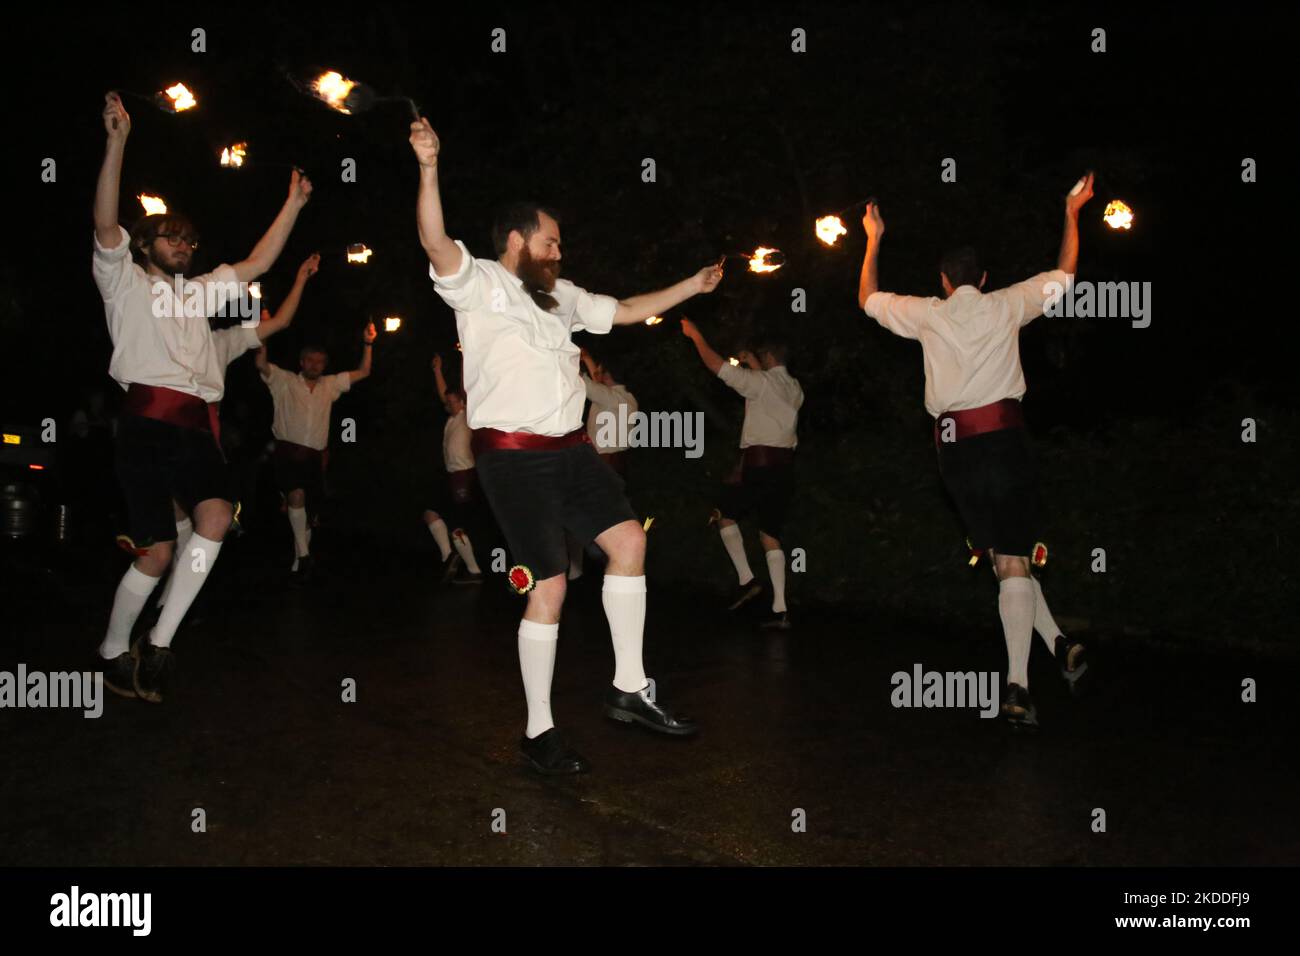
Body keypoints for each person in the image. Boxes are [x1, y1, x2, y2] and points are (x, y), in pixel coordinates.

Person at [410, 115, 722, 774]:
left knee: (630, 540)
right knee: (548, 586)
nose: (561, 251)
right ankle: (539, 731)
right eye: (553, 241)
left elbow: (630, 309)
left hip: (574, 449)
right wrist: (429, 165)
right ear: (519, 240)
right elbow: (435, 241)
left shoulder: (565, 296)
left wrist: (691, 285)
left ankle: (630, 688)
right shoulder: (482, 282)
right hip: (512, 457)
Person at [92, 91, 313, 702]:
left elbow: (257, 260)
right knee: (158, 553)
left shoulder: (204, 293)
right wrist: (117, 142)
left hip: (194, 431)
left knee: (216, 519)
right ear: (144, 247)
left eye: (189, 240)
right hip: (143, 425)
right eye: (171, 238)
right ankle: (113, 651)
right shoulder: (124, 282)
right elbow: (105, 223)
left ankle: (159, 643)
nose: (184, 245)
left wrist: (292, 204)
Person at [857, 174, 1095, 728]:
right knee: (1011, 559)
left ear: (944, 282)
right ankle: (1018, 686)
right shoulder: (1007, 304)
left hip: (955, 456)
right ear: (982, 280)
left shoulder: (928, 314)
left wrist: (872, 238)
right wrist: (1072, 211)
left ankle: (1055, 645)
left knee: (999, 559)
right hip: (1005, 444)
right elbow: (1065, 274)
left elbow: (866, 298)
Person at [681, 323, 803, 629]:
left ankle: (747, 580)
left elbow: (716, 365)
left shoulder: (760, 383)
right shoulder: (795, 388)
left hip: (760, 469)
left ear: (768, 357)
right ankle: (780, 610)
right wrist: (752, 363)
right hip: (784, 469)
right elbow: (764, 403)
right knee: (769, 535)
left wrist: (696, 335)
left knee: (722, 513)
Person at [255, 315, 375, 584]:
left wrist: (368, 343)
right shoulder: (284, 380)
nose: (315, 365)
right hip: (288, 451)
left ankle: (299, 561)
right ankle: (306, 556)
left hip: (316, 456)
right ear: (302, 362)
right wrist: (264, 329)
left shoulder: (330, 385)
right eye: (310, 360)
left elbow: (364, 372)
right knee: (295, 497)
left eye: (320, 362)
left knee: (309, 513)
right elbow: (260, 363)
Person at [424, 352, 485, 585]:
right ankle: (449, 556)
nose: (448, 404)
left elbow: (463, 388)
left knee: (458, 525)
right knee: (431, 514)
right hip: (451, 476)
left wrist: (463, 358)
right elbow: (445, 395)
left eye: (452, 402)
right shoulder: (451, 418)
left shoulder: (467, 416)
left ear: (461, 402)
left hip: (466, 476)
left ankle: (473, 570)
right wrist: (437, 370)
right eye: (448, 403)